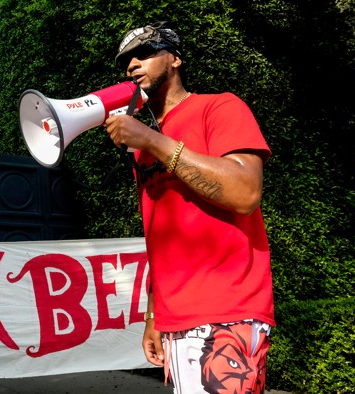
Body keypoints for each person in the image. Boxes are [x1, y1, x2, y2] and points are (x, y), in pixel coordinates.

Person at [104, 22, 275, 393]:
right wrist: (153, 313)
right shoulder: (141, 146)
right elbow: (160, 234)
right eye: (126, 61)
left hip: (228, 307)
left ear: (176, 59)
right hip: (173, 316)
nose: (133, 64)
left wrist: (151, 139)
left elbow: (245, 193)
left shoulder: (220, 106)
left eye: (146, 52)